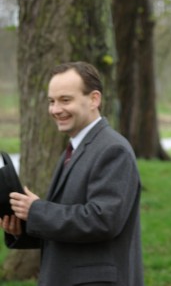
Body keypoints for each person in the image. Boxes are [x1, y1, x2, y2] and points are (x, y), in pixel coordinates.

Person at [0, 61, 144, 286]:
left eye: (65, 100)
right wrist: (24, 228)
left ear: (94, 99)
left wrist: (36, 210)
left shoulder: (112, 149)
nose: (56, 109)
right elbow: (70, 222)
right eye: (51, 101)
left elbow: (102, 220)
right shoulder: (76, 147)